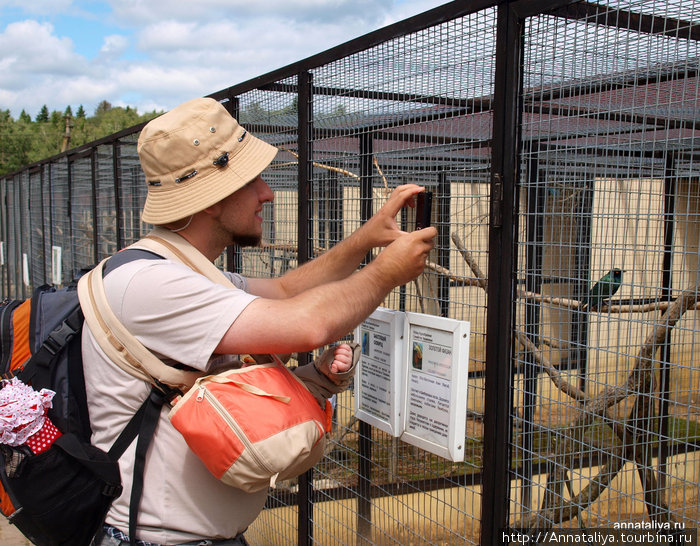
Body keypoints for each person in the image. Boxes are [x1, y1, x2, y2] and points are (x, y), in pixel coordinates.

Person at [84, 96, 437, 545]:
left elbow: (288, 291)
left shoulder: (182, 268)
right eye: (252, 181)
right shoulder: (150, 284)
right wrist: (387, 271)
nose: (267, 192)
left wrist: (366, 239)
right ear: (211, 198)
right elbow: (306, 325)